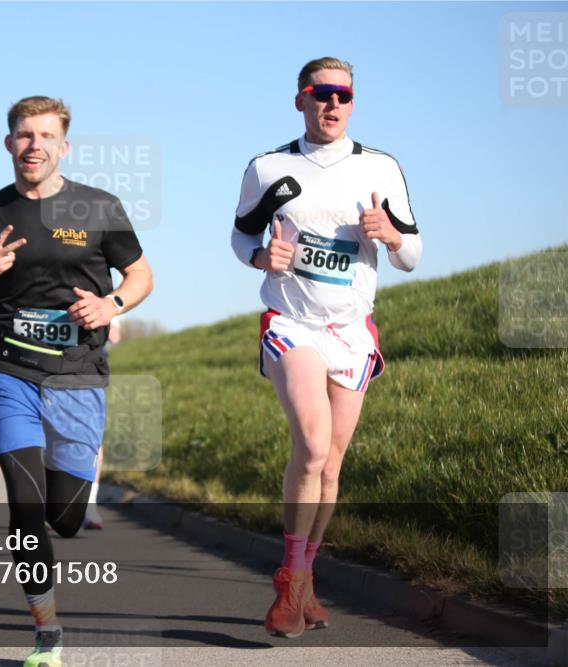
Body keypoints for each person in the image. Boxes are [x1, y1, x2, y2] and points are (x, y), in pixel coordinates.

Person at [0, 96, 153, 667]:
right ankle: (46, 631)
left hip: (78, 375)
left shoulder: (97, 207)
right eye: (24, 135)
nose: (34, 145)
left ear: (63, 146)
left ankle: (68, 502)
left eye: (45, 136)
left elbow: (141, 273)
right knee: (25, 505)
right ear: (9, 144)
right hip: (10, 371)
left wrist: (112, 305)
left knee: (66, 518)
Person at [230, 57, 422, 638]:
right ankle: (290, 580)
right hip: (292, 322)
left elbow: (411, 254)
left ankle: (307, 576)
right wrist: (263, 257)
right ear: (301, 101)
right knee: (311, 446)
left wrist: (389, 236)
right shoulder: (269, 168)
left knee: (332, 464)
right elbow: (240, 236)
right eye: (320, 94)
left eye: (342, 95)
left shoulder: (381, 169)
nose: (332, 104)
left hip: (352, 329)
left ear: (353, 103)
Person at [82, 313, 121, 530]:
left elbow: (115, 335)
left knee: (93, 435)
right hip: (45, 363)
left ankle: (89, 504)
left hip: (89, 363)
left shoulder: (104, 284)